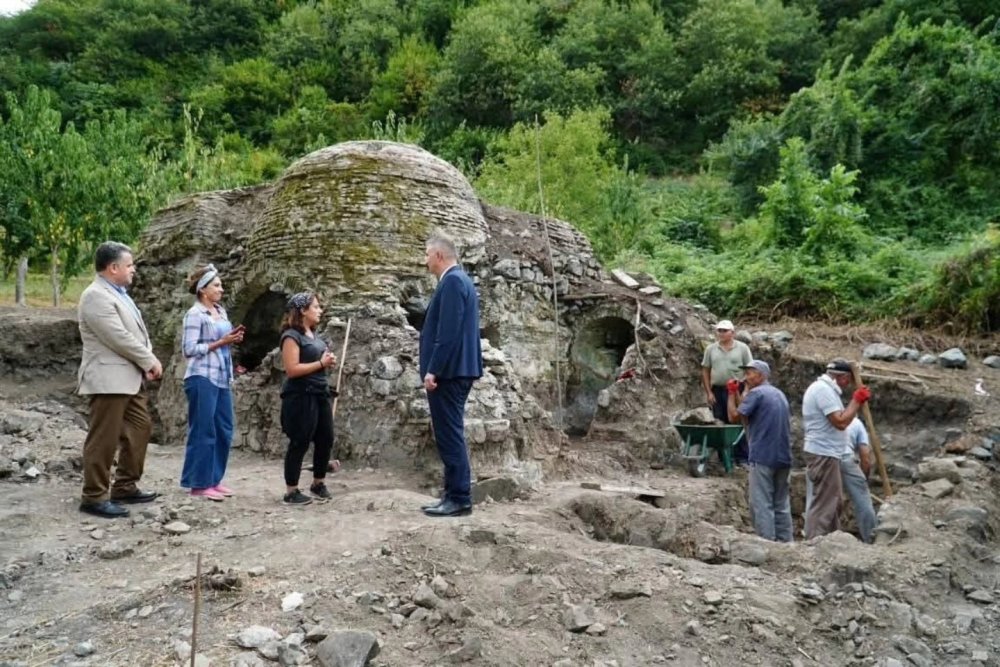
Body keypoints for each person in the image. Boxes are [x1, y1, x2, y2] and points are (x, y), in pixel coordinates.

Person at [76, 241, 162, 519]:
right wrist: (148, 359)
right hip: (108, 377)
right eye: (129, 265)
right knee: (104, 438)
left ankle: (124, 485)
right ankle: (94, 496)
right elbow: (118, 337)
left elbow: (133, 334)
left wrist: (144, 359)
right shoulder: (95, 296)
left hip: (128, 377)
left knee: (141, 428)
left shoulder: (119, 293)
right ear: (113, 268)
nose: (133, 269)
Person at [419, 231, 483, 518]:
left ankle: (458, 497)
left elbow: (448, 333)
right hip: (455, 370)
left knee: (449, 435)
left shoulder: (454, 282)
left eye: (427, 254)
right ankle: (452, 494)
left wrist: (433, 369)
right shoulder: (458, 281)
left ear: (439, 255)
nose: (425, 260)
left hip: (450, 372)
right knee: (449, 433)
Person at [179, 265, 244, 501]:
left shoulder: (220, 311)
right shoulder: (194, 315)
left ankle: (214, 480)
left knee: (224, 429)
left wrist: (232, 339)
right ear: (203, 290)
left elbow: (221, 341)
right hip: (201, 377)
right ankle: (199, 483)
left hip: (221, 377)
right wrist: (220, 342)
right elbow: (189, 349)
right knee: (204, 430)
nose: (221, 289)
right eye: (216, 285)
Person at [802, 358, 871, 539]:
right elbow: (840, 422)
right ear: (843, 377)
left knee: (834, 501)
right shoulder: (823, 390)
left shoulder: (827, 390)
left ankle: (831, 540)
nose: (848, 384)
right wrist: (856, 401)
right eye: (847, 380)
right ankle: (814, 543)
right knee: (824, 503)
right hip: (823, 452)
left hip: (829, 452)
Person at [279, 292, 337, 506]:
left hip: (320, 392)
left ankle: (318, 483)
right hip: (300, 396)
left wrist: (328, 362)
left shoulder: (316, 337)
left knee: (325, 438)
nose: (320, 310)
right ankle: (291, 491)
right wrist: (321, 364)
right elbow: (292, 369)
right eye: (316, 307)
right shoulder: (291, 336)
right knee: (300, 441)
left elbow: (318, 363)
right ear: (303, 311)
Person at [727, 360, 792, 542]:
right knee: (781, 503)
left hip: (763, 456)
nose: (746, 377)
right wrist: (741, 393)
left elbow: (734, 416)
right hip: (783, 456)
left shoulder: (757, 393)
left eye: (750, 373)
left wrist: (731, 394)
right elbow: (746, 414)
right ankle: (786, 543)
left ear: (761, 375)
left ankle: (767, 543)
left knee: (761, 503)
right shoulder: (778, 394)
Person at [804, 417, 877, 544]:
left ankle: (812, 538)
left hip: (821, 458)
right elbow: (865, 456)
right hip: (846, 458)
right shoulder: (857, 423)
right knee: (862, 500)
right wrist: (863, 480)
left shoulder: (822, 419)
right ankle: (871, 537)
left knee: (815, 500)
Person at [701, 319, 752, 462]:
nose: (721, 333)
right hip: (718, 390)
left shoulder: (742, 348)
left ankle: (742, 457)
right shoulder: (711, 349)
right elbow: (705, 370)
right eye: (719, 330)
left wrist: (746, 390)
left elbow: (749, 369)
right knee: (719, 421)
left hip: (737, 389)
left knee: (738, 421)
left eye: (725, 331)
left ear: (732, 333)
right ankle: (724, 457)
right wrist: (709, 392)